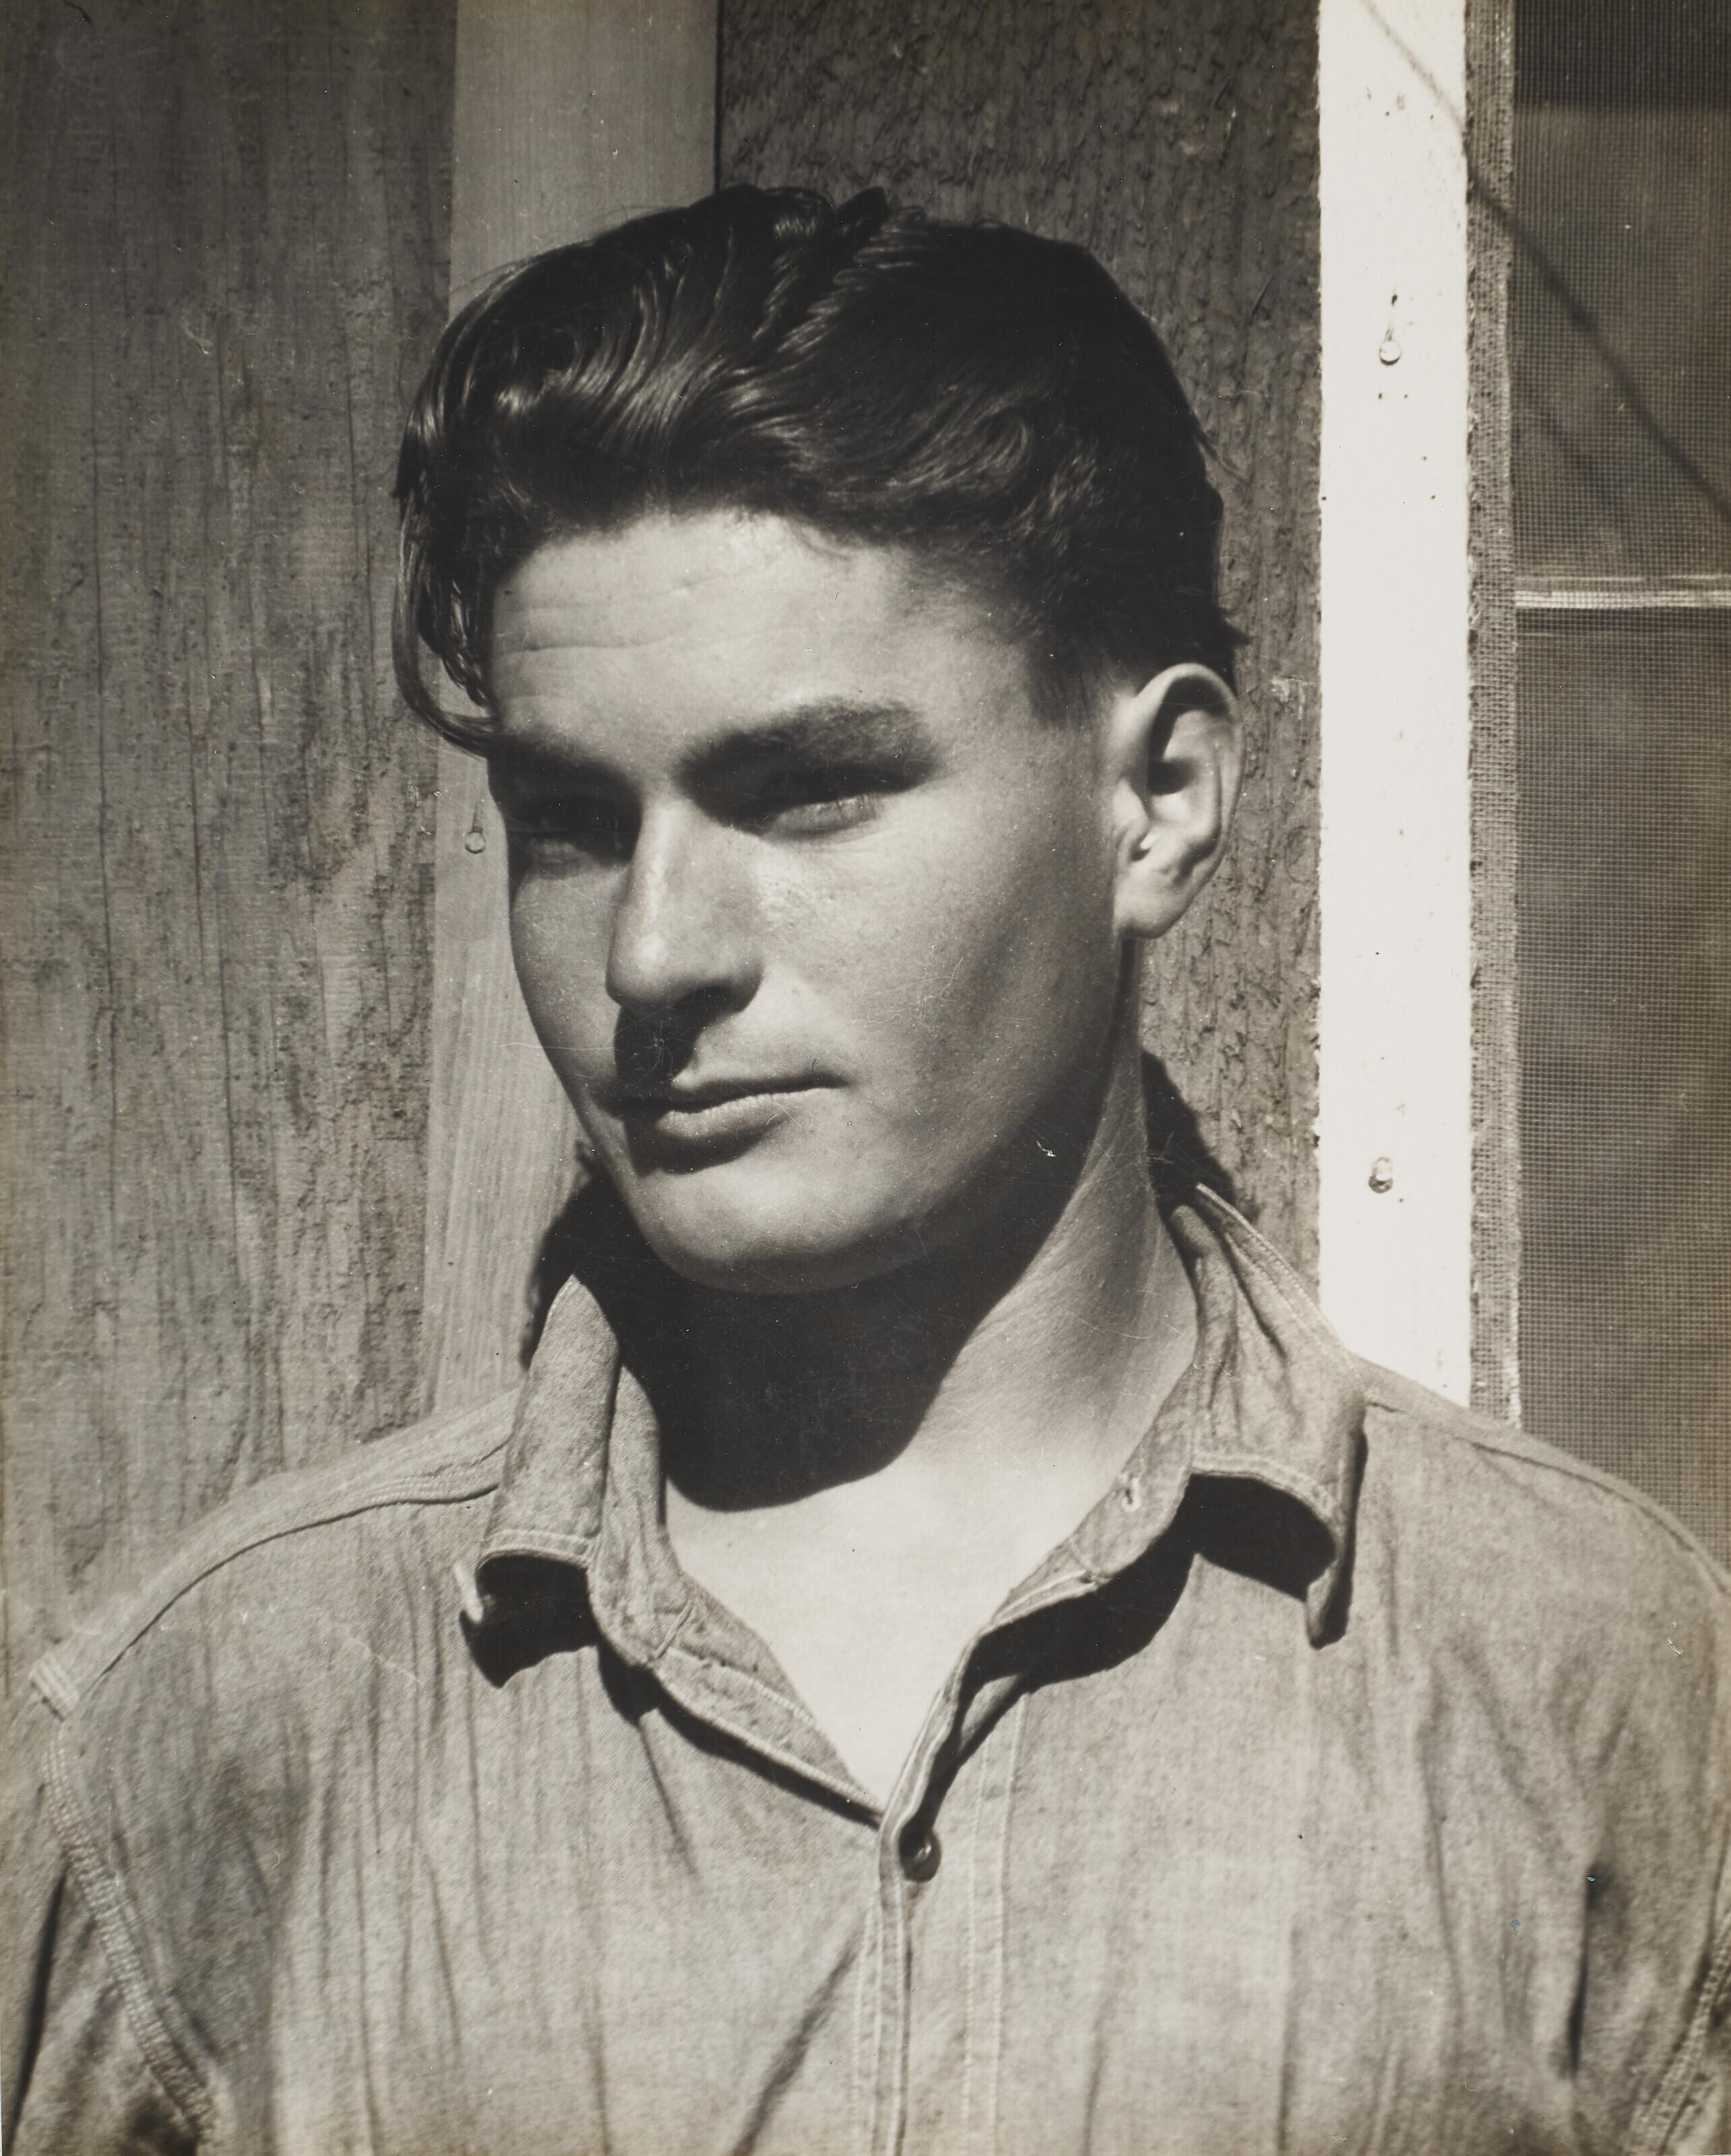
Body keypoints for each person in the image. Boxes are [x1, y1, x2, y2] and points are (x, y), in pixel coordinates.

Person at [3, 184, 1727, 2156]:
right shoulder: (213, 1725)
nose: (655, 952)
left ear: (1155, 799)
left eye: (806, 789)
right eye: (567, 821)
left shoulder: (1601, 1685)